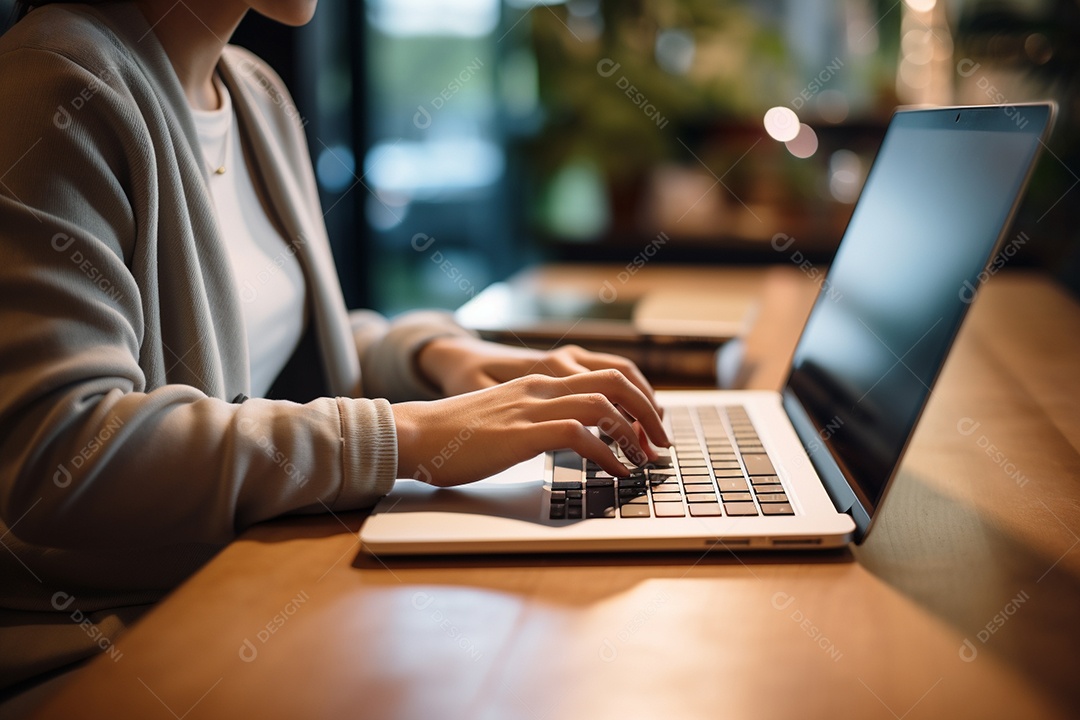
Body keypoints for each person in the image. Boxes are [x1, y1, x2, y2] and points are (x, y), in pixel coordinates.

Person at [0, 0, 670, 694]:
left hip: (230, 587)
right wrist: (408, 435)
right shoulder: (52, 84)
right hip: (110, 651)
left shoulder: (252, 90)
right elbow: (62, 452)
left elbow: (280, 355)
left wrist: (439, 360)